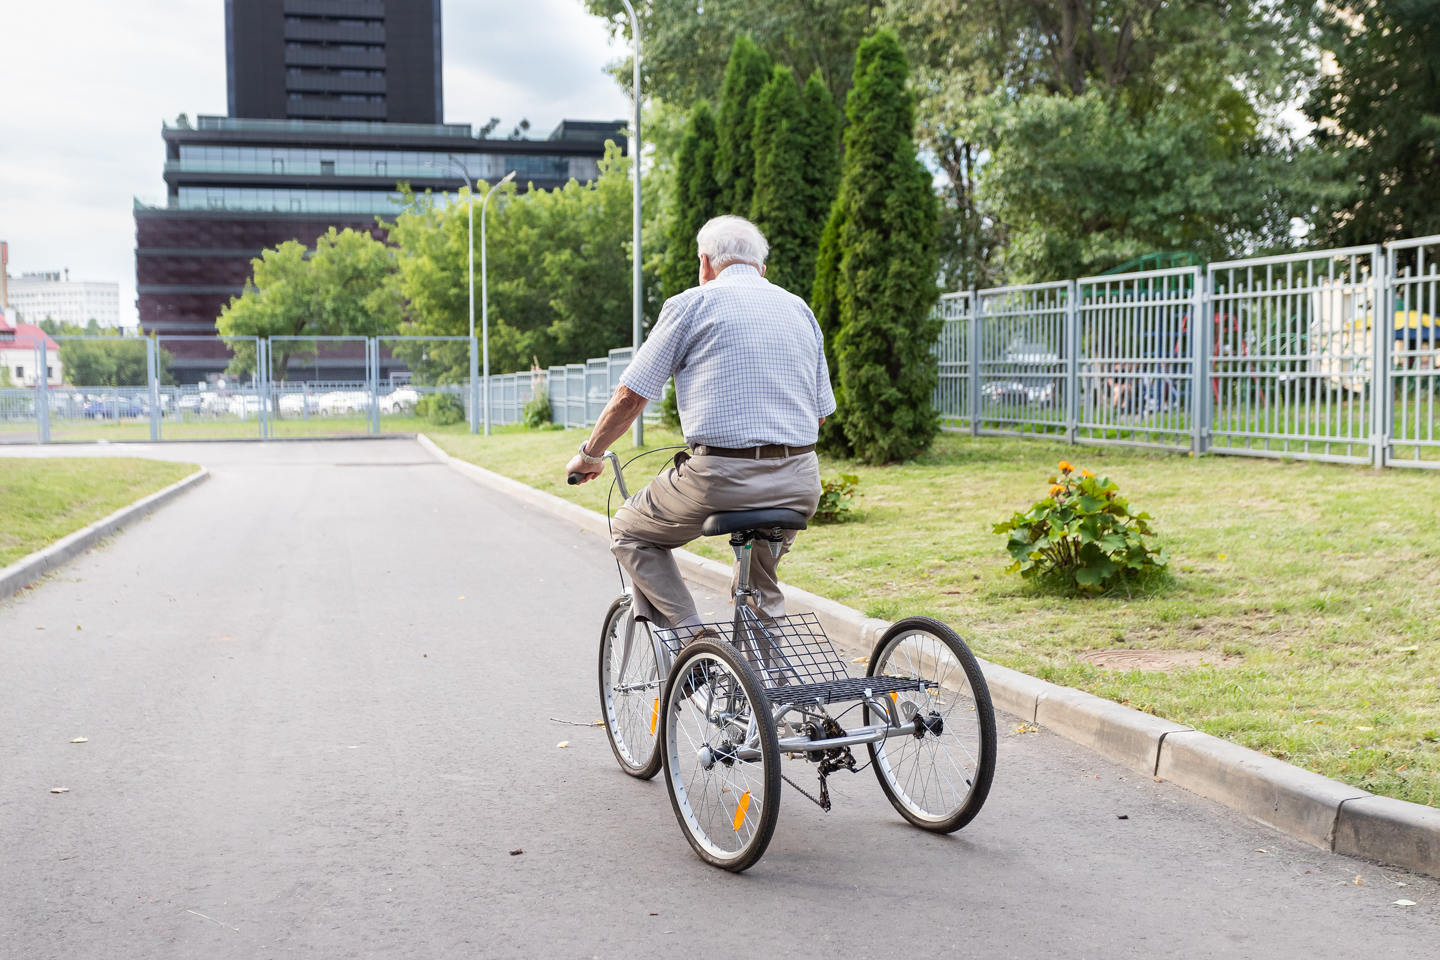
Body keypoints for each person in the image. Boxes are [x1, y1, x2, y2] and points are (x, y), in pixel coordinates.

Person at [564, 215, 835, 639]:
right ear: (761, 269)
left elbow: (631, 396)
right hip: (799, 482)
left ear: (705, 263)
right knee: (760, 585)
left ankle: (694, 639)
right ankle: (774, 686)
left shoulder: (691, 304)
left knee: (630, 530)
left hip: (721, 478)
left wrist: (591, 454)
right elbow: (819, 414)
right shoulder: (798, 308)